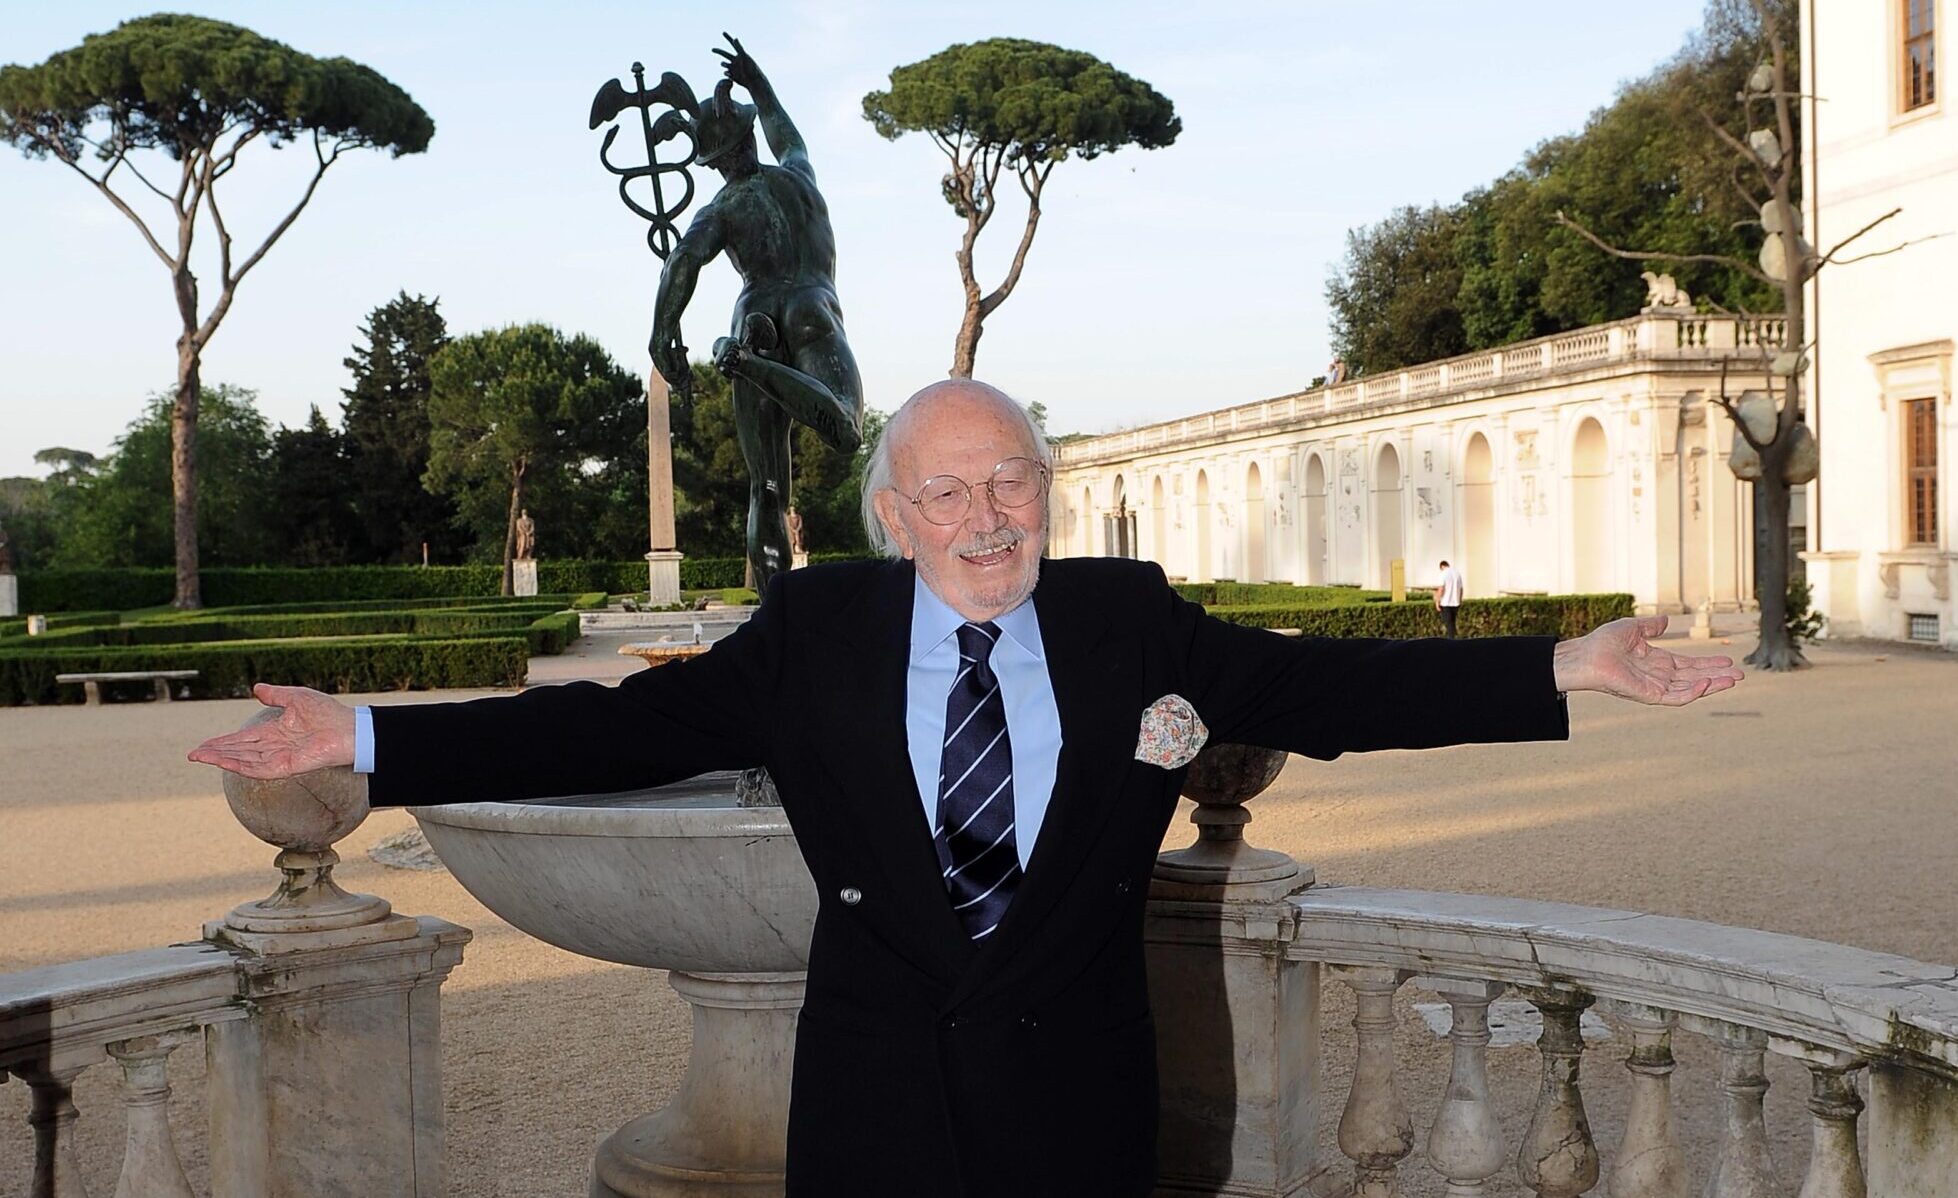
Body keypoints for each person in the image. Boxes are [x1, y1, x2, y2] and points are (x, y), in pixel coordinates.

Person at [191, 380, 1742, 1197]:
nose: (983, 512)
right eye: (945, 488)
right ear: (890, 511)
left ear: (1046, 491)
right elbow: (602, 732)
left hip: (1075, 1092)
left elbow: (1331, 686)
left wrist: (1569, 665)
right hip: (873, 1101)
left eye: (1010, 478)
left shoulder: (1131, 618)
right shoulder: (819, 628)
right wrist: (374, 736)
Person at [650, 36, 865, 591]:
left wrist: (662, 331)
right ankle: (750, 365)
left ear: (712, 161)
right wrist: (758, 82)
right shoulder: (799, 177)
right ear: (749, 136)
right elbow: (788, 134)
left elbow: (683, 262)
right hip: (815, 305)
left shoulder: (721, 207)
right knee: (846, 427)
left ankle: (746, 365)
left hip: (756, 316)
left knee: (767, 488)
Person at [1434, 558, 1466, 638]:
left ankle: (1452, 639)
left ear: (1441, 566)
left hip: (1446, 602)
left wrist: (1437, 601)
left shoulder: (1443, 574)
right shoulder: (1457, 573)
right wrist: (1460, 600)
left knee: (1448, 623)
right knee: (1453, 622)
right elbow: (1461, 589)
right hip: (1455, 602)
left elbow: (1441, 589)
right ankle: (1453, 637)